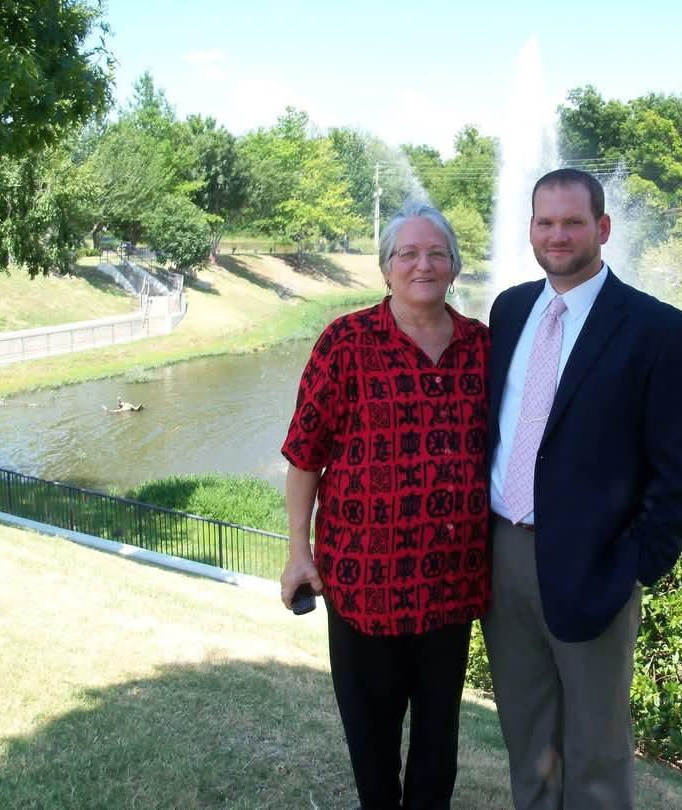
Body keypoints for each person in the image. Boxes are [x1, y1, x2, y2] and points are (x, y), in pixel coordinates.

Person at [483, 168, 682, 810]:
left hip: (596, 565)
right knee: (527, 734)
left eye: (573, 222)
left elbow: (680, 471)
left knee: (597, 748)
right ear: (530, 228)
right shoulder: (511, 308)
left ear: (602, 228)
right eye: (544, 222)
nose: (557, 235)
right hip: (502, 554)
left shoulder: (659, 331)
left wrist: (634, 565)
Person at [278, 202, 491, 810]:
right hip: (363, 584)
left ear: (453, 266)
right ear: (386, 268)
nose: (422, 264)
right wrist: (299, 553)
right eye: (408, 253)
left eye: (436, 253)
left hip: (450, 586)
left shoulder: (482, 348)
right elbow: (303, 456)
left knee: (436, 748)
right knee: (373, 750)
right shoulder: (345, 343)